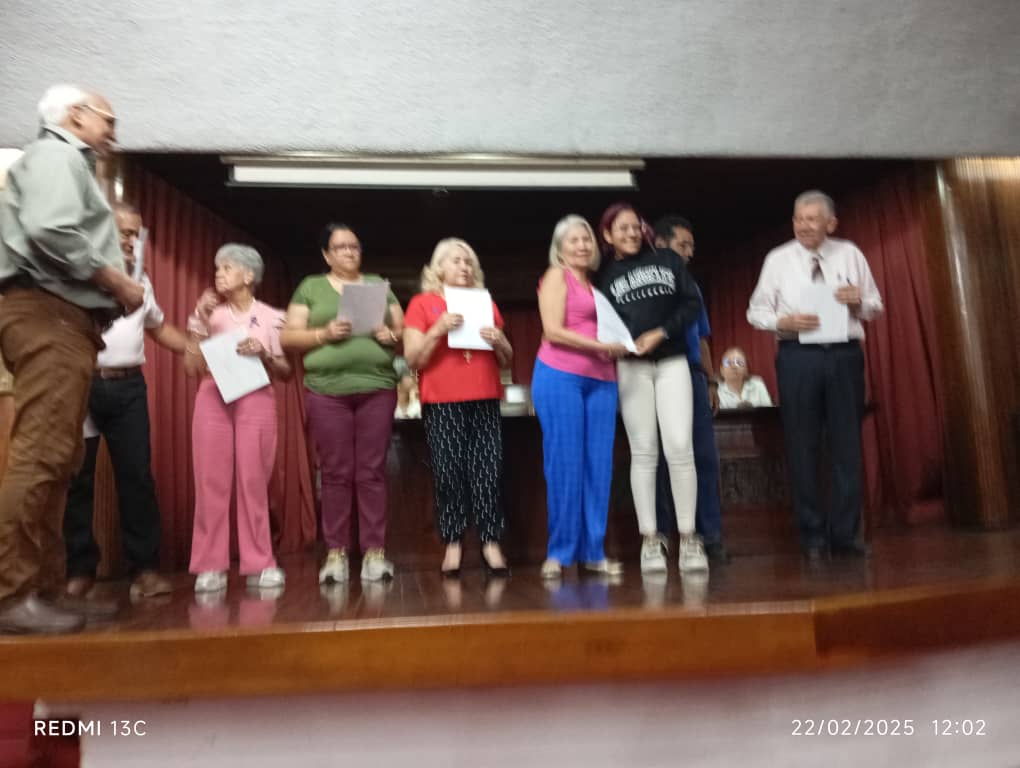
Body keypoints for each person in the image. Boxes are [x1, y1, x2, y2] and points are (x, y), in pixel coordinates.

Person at [0, 85, 144, 633]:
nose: (113, 133)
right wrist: (116, 282)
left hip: (62, 319)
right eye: (109, 120)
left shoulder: (62, 161)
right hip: (49, 314)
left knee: (59, 459)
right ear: (75, 116)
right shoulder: (57, 154)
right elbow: (50, 229)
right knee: (42, 455)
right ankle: (10, 594)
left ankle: (44, 589)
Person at [747, 190, 883, 560]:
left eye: (812, 219)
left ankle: (845, 535)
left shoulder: (850, 253)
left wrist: (858, 302)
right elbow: (755, 311)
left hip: (843, 356)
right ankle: (812, 536)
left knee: (846, 446)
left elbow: (875, 306)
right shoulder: (778, 259)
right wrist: (783, 321)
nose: (803, 226)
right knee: (801, 445)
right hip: (798, 357)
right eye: (798, 219)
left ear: (831, 223)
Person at [63, 202, 188, 600]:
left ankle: (145, 570)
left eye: (136, 233)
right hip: (83, 385)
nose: (131, 240)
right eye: (124, 232)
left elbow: (159, 328)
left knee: (137, 477)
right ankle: (79, 571)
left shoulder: (142, 280)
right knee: (78, 480)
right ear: (102, 231)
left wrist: (195, 349)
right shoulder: (80, 275)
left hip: (129, 387)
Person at [280, 223, 403, 584]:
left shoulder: (377, 284)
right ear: (326, 254)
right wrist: (324, 333)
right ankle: (336, 553)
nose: (349, 251)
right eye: (341, 247)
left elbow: (404, 330)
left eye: (354, 246)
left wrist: (390, 334)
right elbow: (288, 337)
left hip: (377, 388)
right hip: (326, 391)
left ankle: (374, 552)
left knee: (371, 471)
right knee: (335, 472)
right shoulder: (311, 287)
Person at [595, 203, 708, 574]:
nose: (631, 233)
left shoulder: (668, 260)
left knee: (680, 447)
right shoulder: (604, 276)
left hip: (672, 361)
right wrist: (618, 345)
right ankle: (650, 539)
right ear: (608, 235)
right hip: (632, 367)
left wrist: (661, 332)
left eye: (635, 226)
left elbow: (691, 304)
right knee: (644, 452)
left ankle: (688, 538)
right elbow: (601, 325)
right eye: (622, 228)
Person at [184, 244, 292, 593]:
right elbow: (191, 367)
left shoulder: (272, 317)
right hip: (212, 396)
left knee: (253, 481)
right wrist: (198, 321)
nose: (219, 274)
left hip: (256, 397)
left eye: (226, 268)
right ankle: (210, 565)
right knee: (210, 482)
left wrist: (264, 354)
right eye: (217, 268)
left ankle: (260, 563)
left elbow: (286, 371)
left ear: (248, 275)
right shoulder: (209, 314)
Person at [403, 238, 513, 577]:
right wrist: (437, 330)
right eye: (456, 261)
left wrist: (501, 341)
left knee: (488, 471)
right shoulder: (422, 303)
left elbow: (507, 359)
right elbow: (413, 359)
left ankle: (490, 542)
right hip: (443, 401)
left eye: (468, 262)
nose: (464, 267)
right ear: (438, 268)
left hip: (485, 396)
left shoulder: (485, 302)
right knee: (449, 472)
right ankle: (453, 543)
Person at [532, 215, 628, 580]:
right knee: (565, 465)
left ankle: (593, 552)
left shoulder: (597, 286)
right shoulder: (557, 276)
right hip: (561, 376)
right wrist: (601, 345)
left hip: (602, 380)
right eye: (573, 240)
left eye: (586, 239)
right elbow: (552, 331)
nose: (582, 245)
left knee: (598, 467)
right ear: (559, 249)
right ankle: (559, 553)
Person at [651, 215, 729, 564]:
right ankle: (666, 537)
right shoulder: (647, 285)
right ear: (660, 244)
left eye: (691, 247)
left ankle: (710, 535)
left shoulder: (692, 286)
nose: (689, 253)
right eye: (683, 245)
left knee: (704, 458)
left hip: (694, 375)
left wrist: (711, 380)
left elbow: (703, 337)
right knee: (660, 461)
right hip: (658, 375)